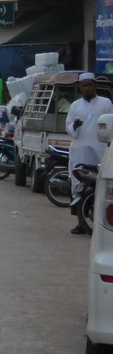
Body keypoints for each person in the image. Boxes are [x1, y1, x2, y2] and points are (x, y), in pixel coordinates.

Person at [66, 72, 113, 234]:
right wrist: (75, 126)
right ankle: (80, 222)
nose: (87, 88)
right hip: (80, 151)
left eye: (89, 85)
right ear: (80, 88)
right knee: (79, 187)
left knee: (101, 186)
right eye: (84, 85)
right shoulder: (75, 106)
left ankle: (103, 225)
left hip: (100, 151)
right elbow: (68, 127)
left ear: (95, 85)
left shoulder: (106, 103)